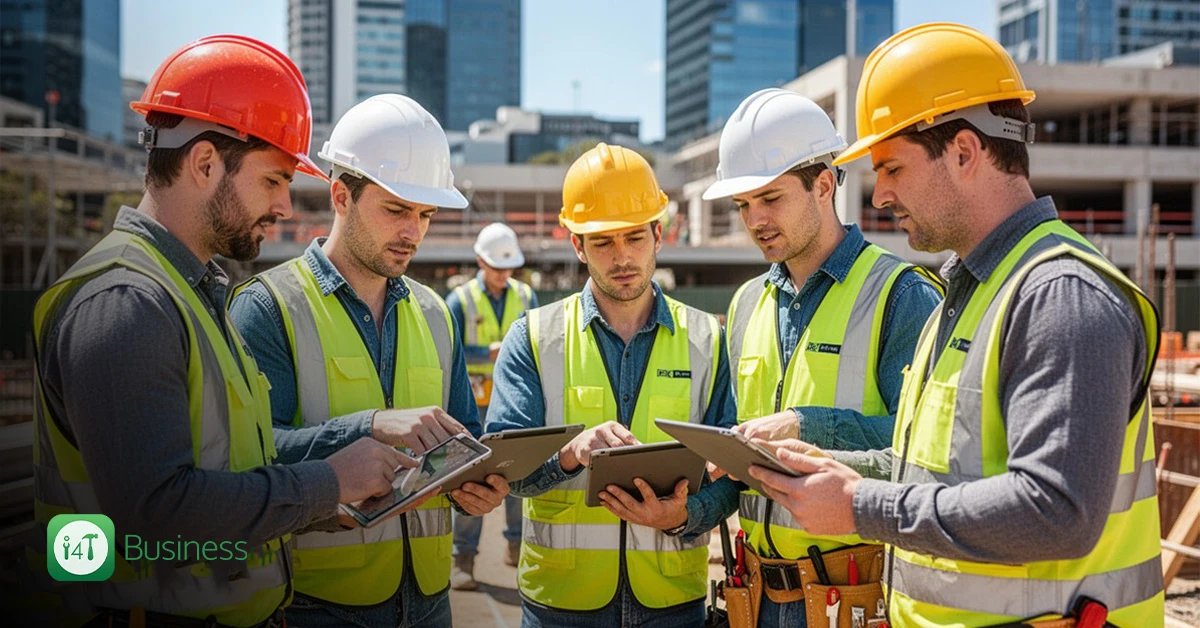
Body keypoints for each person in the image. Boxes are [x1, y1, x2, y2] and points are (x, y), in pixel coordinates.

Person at [748, 23, 1164, 627]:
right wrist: (839, 472)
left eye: (892, 168)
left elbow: (1057, 511)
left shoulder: (1059, 295)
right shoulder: (966, 294)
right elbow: (941, 472)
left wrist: (861, 506)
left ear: (965, 152)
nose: (880, 195)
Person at [30, 36, 413, 627]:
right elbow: (150, 517)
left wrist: (314, 506)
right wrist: (328, 481)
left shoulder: (192, 293)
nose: (286, 206)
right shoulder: (126, 302)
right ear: (205, 163)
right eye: (272, 180)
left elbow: (226, 467)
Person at [230, 94, 509, 628]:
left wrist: (475, 486)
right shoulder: (267, 308)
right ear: (340, 195)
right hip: (314, 605)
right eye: (397, 209)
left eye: (425, 214)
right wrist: (371, 429)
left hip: (430, 601)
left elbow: (463, 436)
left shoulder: (435, 313)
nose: (414, 232)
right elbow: (249, 458)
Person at [697, 87, 941, 627]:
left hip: (850, 598)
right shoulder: (744, 305)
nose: (755, 219)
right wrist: (685, 512)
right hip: (754, 594)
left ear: (824, 184)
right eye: (743, 206)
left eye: (770, 198)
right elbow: (739, 462)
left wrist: (808, 427)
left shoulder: (901, 295)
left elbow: (927, 454)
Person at [486, 143, 740, 627]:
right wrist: (569, 453)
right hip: (561, 605)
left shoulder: (709, 338)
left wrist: (687, 515)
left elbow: (731, 472)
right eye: (603, 242)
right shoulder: (534, 337)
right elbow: (506, 472)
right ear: (577, 244)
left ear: (659, 235)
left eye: (634, 238)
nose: (622, 257)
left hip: (671, 602)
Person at [445, 222, 538, 589]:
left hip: (511, 401)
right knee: (472, 482)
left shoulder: (526, 296)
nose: (504, 274)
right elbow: (449, 353)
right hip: (472, 406)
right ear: (480, 261)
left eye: (509, 266)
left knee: (518, 475)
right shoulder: (460, 300)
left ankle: (517, 548)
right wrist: (487, 352)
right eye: (497, 267)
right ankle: (462, 560)